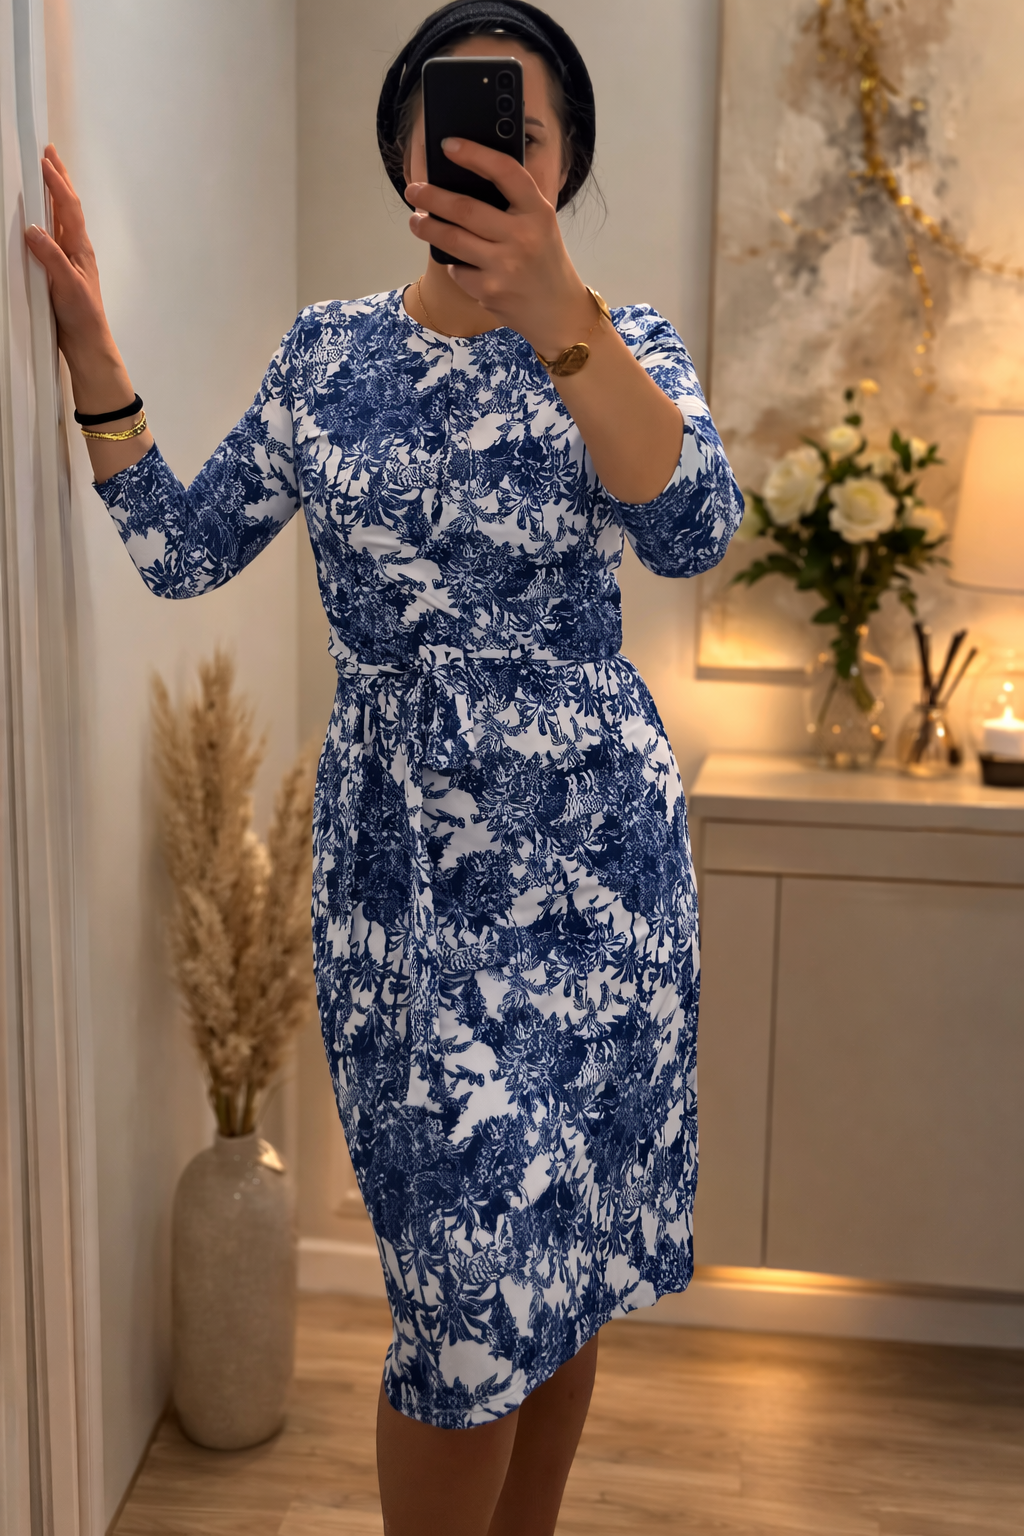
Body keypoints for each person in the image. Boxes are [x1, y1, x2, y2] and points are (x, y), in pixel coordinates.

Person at [26, 3, 742, 1531]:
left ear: (563, 164)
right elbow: (181, 548)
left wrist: (560, 319)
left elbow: (693, 529)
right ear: (405, 150)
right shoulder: (328, 356)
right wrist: (95, 357)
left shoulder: (619, 344)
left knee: (559, 1273)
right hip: (406, 881)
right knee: (464, 1307)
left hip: (600, 874)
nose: (483, 153)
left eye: (519, 133)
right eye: (454, 120)